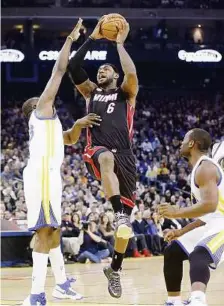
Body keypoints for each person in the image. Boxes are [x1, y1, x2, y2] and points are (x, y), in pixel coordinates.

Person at [21, 19, 101, 306]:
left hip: (50, 176)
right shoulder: (40, 110)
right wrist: (71, 38)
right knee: (45, 232)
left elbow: (68, 139)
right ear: (35, 105)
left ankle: (62, 285)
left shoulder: (50, 123)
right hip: (41, 175)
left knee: (54, 230)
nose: (48, 98)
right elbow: (59, 70)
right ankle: (36, 295)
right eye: (41, 98)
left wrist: (78, 124)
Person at [67, 15, 138, 298]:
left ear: (116, 76)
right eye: (99, 70)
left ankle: (115, 270)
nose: (101, 72)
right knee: (105, 157)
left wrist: (119, 45)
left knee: (123, 233)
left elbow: (132, 75)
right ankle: (119, 213)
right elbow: (73, 66)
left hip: (126, 157)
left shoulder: (126, 94)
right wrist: (92, 38)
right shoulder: (90, 93)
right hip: (97, 150)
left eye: (107, 69)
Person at [159, 129, 224, 306]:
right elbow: (209, 215)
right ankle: (174, 301)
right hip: (214, 223)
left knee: (199, 255)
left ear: (191, 143)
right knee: (173, 251)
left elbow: (209, 205)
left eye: (184, 139)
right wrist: (181, 231)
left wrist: (176, 212)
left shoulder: (206, 167)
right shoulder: (199, 168)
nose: (180, 142)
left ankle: (198, 301)